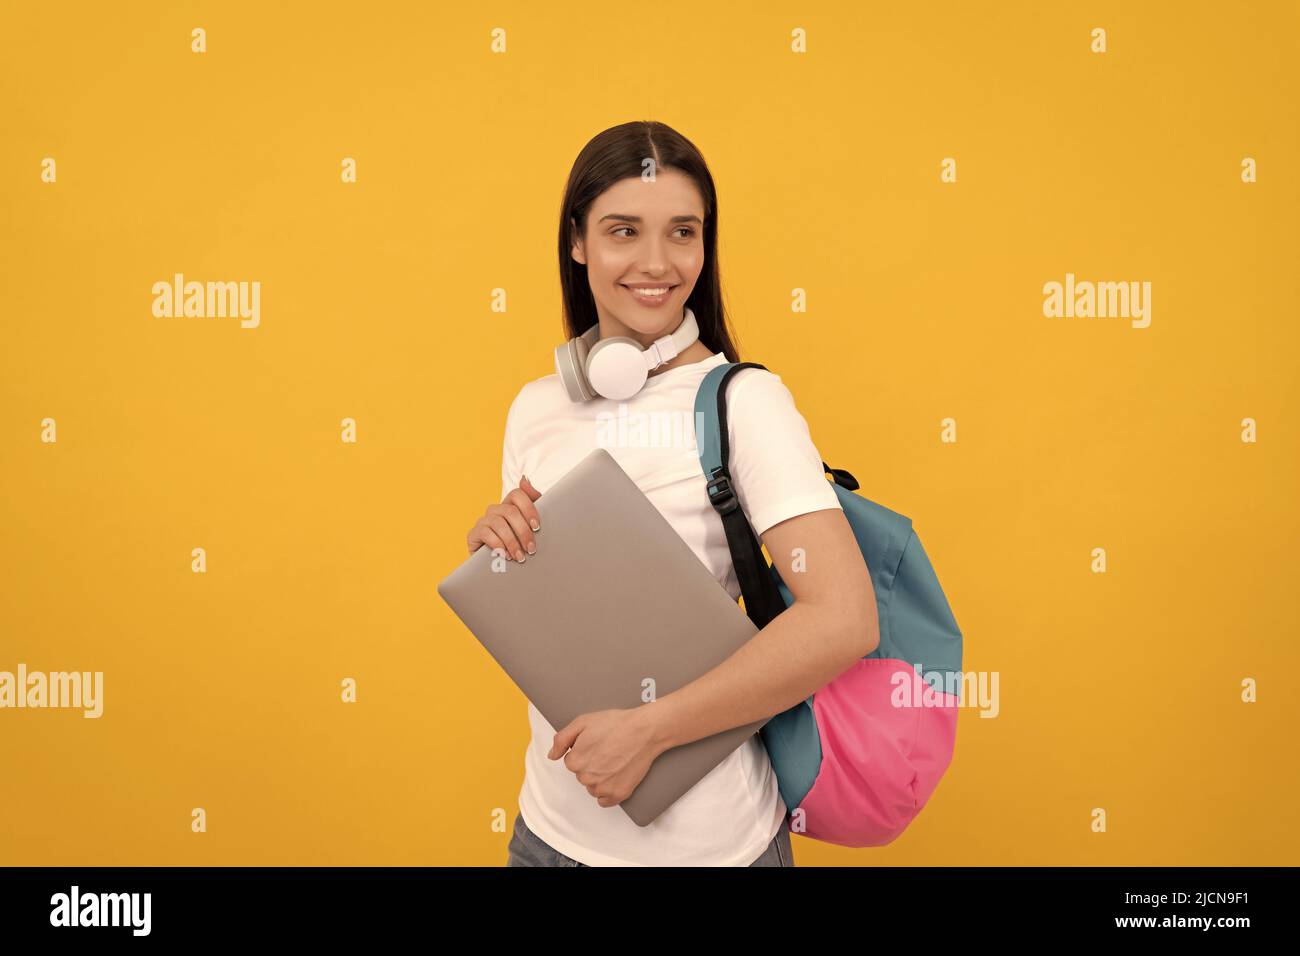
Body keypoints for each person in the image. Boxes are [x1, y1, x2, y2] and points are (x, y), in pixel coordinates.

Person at [465, 121, 878, 866]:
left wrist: (649, 732)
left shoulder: (744, 404)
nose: (656, 263)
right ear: (578, 242)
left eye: (682, 233)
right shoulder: (535, 408)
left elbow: (844, 621)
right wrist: (501, 554)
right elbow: (571, 625)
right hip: (547, 836)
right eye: (624, 231)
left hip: (710, 850)